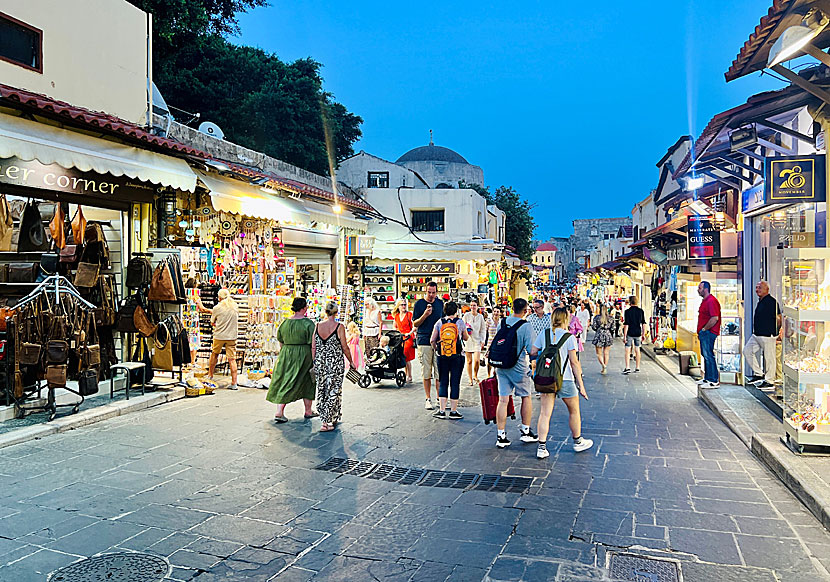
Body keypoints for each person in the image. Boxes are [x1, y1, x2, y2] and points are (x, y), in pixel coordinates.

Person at [531, 307, 593, 458]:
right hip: (565, 379)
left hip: (547, 379)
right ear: (566, 319)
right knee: (574, 410)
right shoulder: (569, 337)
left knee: (545, 413)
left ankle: (541, 448)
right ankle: (577, 442)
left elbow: (533, 351)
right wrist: (581, 385)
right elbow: (574, 363)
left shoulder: (544, 334)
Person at [494, 298, 538, 448]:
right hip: (518, 367)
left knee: (503, 400)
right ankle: (525, 431)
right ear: (525, 311)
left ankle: (501, 435)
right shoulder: (526, 326)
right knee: (526, 396)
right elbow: (531, 349)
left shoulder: (503, 321)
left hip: (501, 366)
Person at [266, 297, 317, 423]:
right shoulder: (308, 324)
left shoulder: (285, 323)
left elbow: (280, 339)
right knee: (307, 381)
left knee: (286, 379)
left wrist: (286, 351)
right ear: (304, 308)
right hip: (304, 355)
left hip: (286, 354)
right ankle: (307, 411)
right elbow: (313, 344)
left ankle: (280, 411)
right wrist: (314, 359)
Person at [312, 301, 356, 432]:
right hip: (335, 363)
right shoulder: (339, 327)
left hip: (321, 363)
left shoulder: (317, 326)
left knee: (322, 389)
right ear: (336, 313)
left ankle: (332, 416)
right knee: (334, 390)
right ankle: (327, 422)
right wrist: (351, 361)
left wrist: (315, 361)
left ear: (325, 312)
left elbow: (313, 346)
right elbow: (344, 347)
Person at [430, 301, 469, 419]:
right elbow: (466, 338)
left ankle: (442, 411)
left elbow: (432, 340)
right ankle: (453, 411)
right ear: (456, 311)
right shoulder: (460, 322)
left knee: (443, 381)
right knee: (455, 382)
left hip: (442, 356)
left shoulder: (439, 322)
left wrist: (438, 350)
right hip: (457, 356)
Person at [743, 281, 781, 390]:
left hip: (768, 335)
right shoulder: (761, 301)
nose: (757, 290)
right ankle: (758, 374)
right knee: (747, 351)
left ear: (766, 289)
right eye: (756, 287)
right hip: (757, 334)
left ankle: (769, 381)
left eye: (760, 287)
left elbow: (779, 318)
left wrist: (776, 332)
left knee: (769, 358)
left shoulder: (771, 302)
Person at [412, 281, 444, 410]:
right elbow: (415, 324)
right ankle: (427, 398)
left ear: (437, 292)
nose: (431, 295)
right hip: (424, 340)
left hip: (438, 341)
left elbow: (443, 320)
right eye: (429, 292)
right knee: (426, 372)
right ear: (425, 291)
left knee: (439, 372)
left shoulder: (440, 303)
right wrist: (425, 315)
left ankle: (439, 398)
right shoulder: (419, 304)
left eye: (433, 293)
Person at [207, 289, 239, 390]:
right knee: (232, 359)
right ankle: (234, 382)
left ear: (219, 297)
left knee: (214, 354)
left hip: (219, 336)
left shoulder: (217, 308)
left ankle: (210, 375)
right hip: (232, 336)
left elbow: (212, 322)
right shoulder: (235, 306)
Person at [697, 281, 722, 387]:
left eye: (700, 288)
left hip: (708, 332)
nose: (698, 290)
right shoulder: (705, 301)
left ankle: (713, 380)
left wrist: (704, 329)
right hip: (705, 332)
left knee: (709, 355)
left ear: (705, 289)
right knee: (705, 355)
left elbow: (715, 318)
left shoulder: (711, 301)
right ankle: (707, 378)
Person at [462, 300, 486, 385]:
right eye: (471, 305)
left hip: (477, 340)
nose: (472, 307)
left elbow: (483, 329)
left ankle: (475, 375)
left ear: (477, 306)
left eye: (474, 305)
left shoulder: (480, 317)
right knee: (469, 361)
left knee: (477, 360)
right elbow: (462, 326)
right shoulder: (466, 315)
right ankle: (470, 379)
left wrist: (483, 340)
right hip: (468, 340)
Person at [393, 299, 416, 383]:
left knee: (406, 356)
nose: (403, 306)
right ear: (398, 306)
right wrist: (397, 333)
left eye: (404, 304)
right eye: (402, 305)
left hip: (408, 338)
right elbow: (395, 326)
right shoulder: (397, 316)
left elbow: (415, 326)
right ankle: (407, 375)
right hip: (400, 338)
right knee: (403, 357)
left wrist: (409, 333)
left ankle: (409, 375)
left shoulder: (409, 315)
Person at [622, 295, 645, 374]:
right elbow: (643, 323)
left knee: (627, 350)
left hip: (630, 333)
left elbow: (626, 324)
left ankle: (627, 367)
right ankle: (637, 367)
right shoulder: (641, 311)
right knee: (637, 349)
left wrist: (624, 336)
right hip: (638, 332)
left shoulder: (627, 312)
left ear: (630, 302)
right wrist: (643, 334)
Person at [591, 304, 615, 374]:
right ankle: (605, 366)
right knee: (606, 353)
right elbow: (613, 328)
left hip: (599, 334)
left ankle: (603, 365)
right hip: (608, 334)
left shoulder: (597, 318)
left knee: (599, 353)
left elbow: (594, 327)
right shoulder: (611, 318)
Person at [485, 306, 503, 376]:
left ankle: (495, 374)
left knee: (497, 360)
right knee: (489, 360)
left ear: (500, 313)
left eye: (497, 312)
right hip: (490, 341)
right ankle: (488, 374)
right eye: (494, 311)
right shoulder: (489, 320)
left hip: (499, 343)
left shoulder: (501, 321)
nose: (496, 313)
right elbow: (485, 331)